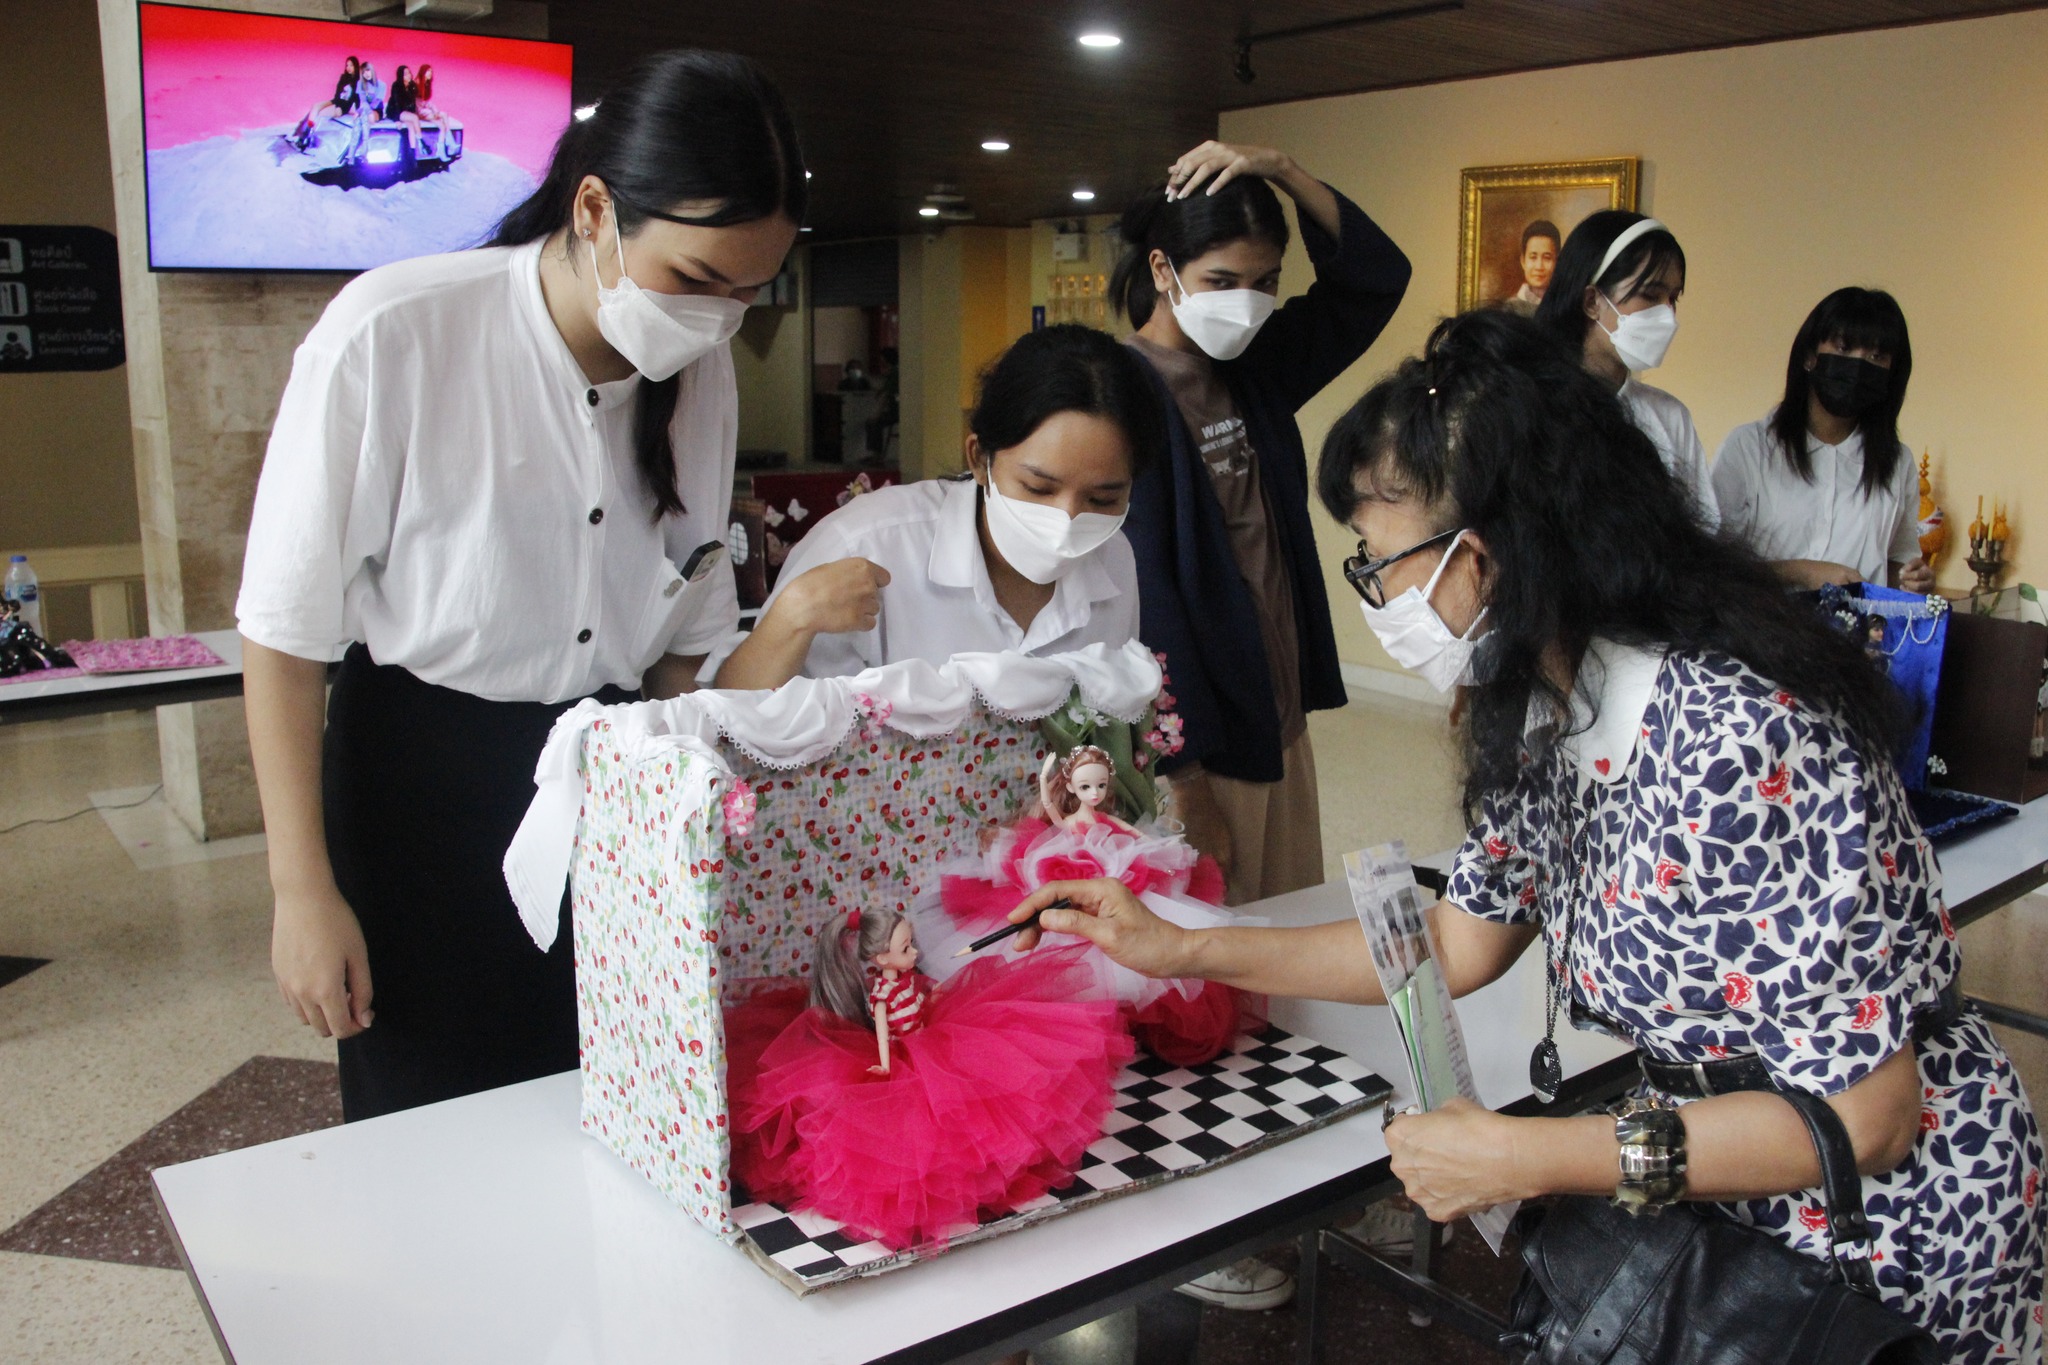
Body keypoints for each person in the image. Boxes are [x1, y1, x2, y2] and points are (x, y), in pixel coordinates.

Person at [1006, 309, 2046, 1364]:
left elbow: (1866, 1120)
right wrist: (1182, 943)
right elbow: (1455, 942)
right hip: (1720, 1217)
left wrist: (1527, 1155)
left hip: (1876, 1259)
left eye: (1381, 561)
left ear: (1490, 552)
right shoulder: (1548, 709)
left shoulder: (1740, 738)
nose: (1377, 595)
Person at [237, 50, 805, 1121]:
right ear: (594, 210)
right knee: (432, 1117)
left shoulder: (703, 367)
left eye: (748, 290)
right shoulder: (395, 331)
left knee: (620, 1101)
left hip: (613, 772)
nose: (720, 317)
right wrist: (300, 890)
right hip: (422, 779)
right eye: (696, 279)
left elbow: (681, 631)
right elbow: (282, 633)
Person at [1109, 139, 1411, 914]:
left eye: (1265, 281)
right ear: (1162, 270)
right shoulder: (1120, 397)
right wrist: (1186, 777)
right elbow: (1148, 599)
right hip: (1207, 740)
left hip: (1280, 715)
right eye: (1221, 281)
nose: (1245, 301)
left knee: (1292, 916)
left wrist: (1284, 170)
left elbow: (1377, 276)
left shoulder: (1255, 369)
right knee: (1224, 938)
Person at [710, 324, 1161, 688]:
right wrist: (792, 617)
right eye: (1038, 489)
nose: (1067, 521)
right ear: (979, 459)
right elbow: (730, 714)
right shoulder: (867, 545)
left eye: (1102, 498)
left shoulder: (1114, 561)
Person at [1712, 287, 1935, 593]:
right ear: (1809, 356)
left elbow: (1898, 559)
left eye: (1876, 357)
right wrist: (1801, 572)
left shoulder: (1897, 462)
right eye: (1844, 349)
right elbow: (1712, 565)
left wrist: (1914, 580)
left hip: (1860, 624)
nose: (1858, 367)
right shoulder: (1748, 448)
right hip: (1762, 621)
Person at [1534, 210, 1717, 529]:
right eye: (1651, 295)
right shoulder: (1529, 405)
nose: (1667, 315)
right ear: (1592, 301)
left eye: (1673, 299)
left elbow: (1702, 532)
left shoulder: (1670, 417)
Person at [290, 55, 359, 151]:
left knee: (320, 113)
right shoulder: (343, 77)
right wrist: (336, 105)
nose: (348, 68)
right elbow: (337, 93)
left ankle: (305, 138)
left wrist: (357, 111)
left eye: (351, 65)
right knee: (315, 106)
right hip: (336, 102)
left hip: (343, 107)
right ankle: (303, 133)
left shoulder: (358, 82)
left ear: (356, 66)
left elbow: (357, 99)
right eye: (347, 65)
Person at [1506, 218, 1558, 313]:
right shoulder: (1510, 308)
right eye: (1533, 257)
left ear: (1557, 262)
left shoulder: (1562, 306)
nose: (1539, 267)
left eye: (1547, 258)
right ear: (1523, 261)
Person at [385, 64, 420, 153]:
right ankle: (421, 142)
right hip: (396, 112)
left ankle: (412, 151)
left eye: (409, 73)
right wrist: (396, 120)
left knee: (411, 127)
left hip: (405, 113)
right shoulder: (396, 85)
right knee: (414, 118)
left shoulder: (412, 86)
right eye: (406, 74)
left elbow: (412, 103)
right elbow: (396, 104)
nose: (409, 75)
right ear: (401, 76)